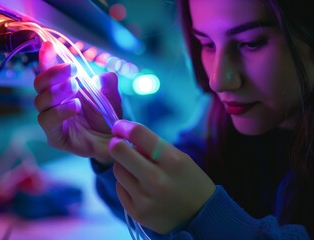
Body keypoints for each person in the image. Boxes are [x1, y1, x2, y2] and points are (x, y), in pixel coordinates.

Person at [33, 0, 314, 239]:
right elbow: (169, 196)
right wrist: (111, 150)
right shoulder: (216, 121)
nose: (218, 80)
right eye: (206, 44)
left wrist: (204, 216)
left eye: (250, 43)